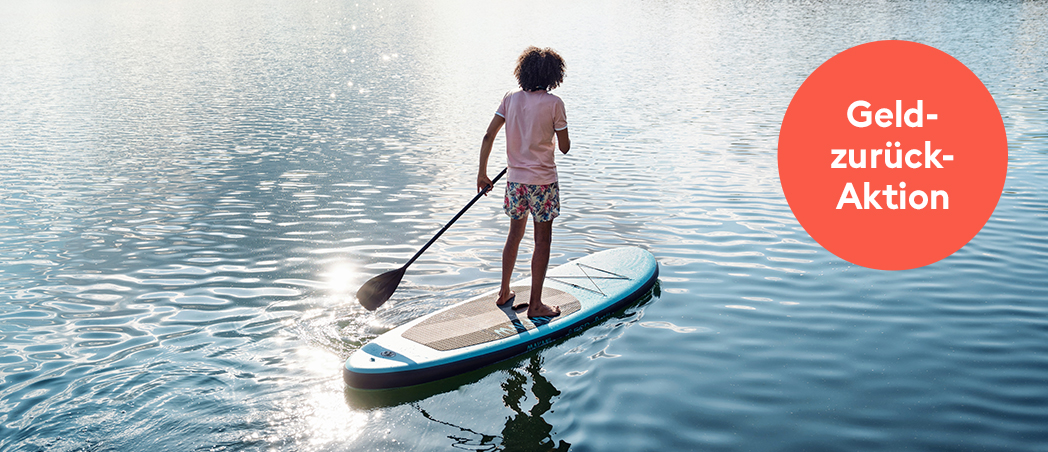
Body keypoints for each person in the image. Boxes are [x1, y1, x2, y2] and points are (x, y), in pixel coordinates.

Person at [477, 46, 570, 319]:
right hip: (542, 183)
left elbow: (488, 135)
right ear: (553, 75)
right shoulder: (555, 104)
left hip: (515, 182)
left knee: (514, 236)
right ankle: (536, 305)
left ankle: (504, 291)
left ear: (523, 72)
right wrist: (556, 132)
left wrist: (482, 174)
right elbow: (564, 147)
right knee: (542, 242)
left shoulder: (510, 99)